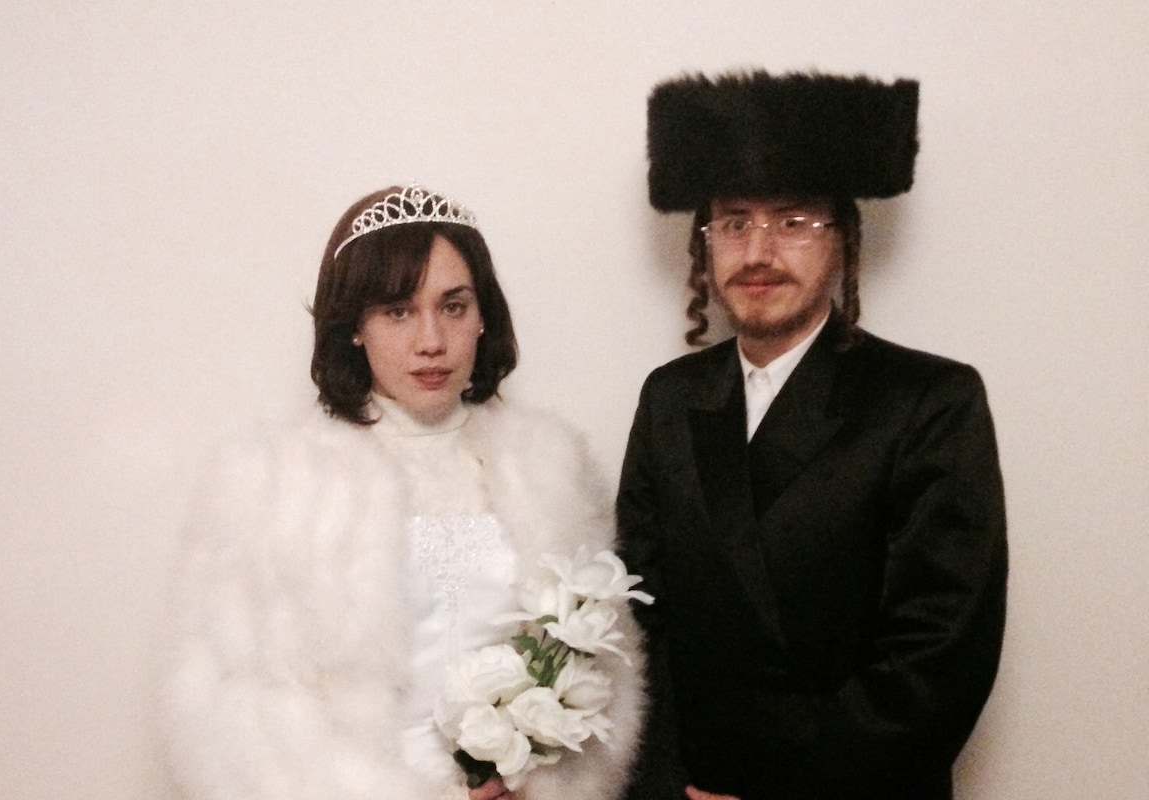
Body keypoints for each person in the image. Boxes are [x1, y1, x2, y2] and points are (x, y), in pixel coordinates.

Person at [160, 184, 645, 800]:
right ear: (354, 327)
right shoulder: (270, 481)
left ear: (483, 316)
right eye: (397, 311)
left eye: (453, 306)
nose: (430, 341)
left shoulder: (551, 467)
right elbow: (228, 712)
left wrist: (540, 784)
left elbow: (606, 671)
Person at [617, 71, 1008, 800]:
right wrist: (668, 784)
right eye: (734, 222)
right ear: (705, 243)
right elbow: (638, 617)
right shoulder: (669, 398)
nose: (758, 251)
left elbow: (939, 656)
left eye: (792, 221)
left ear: (842, 240)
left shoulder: (930, 403)